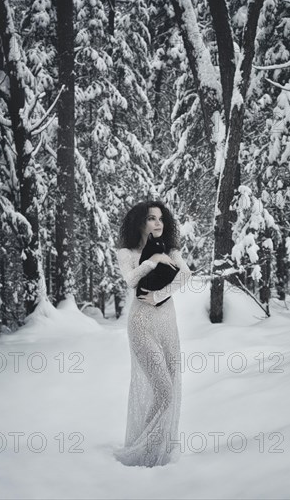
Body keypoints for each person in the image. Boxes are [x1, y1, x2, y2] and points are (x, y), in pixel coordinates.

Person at [113, 200, 192, 467]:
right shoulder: (127, 252)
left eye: (161, 218)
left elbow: (186, 275)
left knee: (169, 388)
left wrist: (159, 295)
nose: (158, 223)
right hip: (141, 324)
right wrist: (153, 261)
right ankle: (144, 453)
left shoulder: (172, 249)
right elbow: (131, 279)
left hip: (168, 323)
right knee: (164, 391)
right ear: (140, 222)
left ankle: (154, 451)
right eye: (151, 218)